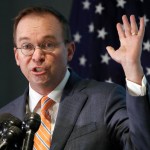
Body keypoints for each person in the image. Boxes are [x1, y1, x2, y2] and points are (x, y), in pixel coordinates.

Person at [0, 5, 150, 150]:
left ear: (70, 51)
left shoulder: (106, 100)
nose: (37, 56)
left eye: (48, 44)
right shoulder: (4, 117)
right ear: (17, 56)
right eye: (27, 46)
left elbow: (141, 145)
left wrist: (132, 67)